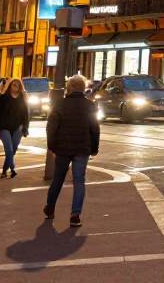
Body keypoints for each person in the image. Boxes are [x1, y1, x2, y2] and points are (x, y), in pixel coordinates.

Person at [45, 74, 99, 228]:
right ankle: (75, 215)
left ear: (68, 87)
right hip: (82, 148)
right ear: (84, 88)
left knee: (58, 179)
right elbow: (94, 129)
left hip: (62, 148)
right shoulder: (90, 105)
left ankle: (50, 209)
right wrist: (94, 148)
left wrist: (52, 146)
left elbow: (51, 127)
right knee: (79, 180)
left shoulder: (60, 104)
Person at [0, 78, 30, 179]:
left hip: (17, 128)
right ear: (10, 86)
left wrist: (25, 128)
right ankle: (12, 169)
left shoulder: (23, 99)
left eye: (18, 86)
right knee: (8, 149)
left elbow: (26, 115)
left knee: (13, 150)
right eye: (14, 85)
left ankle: (4, 170)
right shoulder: (2, 98)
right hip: (4, 127)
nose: (16, 87)